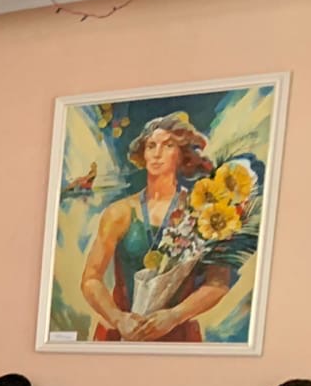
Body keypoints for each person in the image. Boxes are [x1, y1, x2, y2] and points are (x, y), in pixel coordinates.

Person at [79, 111, 235, 345]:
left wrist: (175, 316)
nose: (157, 153)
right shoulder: (120, 212)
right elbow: (91, 278)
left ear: (182, 155)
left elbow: (218, 283)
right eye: (151, 146)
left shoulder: (205, 213)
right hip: (122, 332)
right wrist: (118, 318)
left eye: (168, 145)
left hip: (177, 335)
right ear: (142, 153)